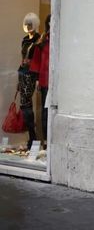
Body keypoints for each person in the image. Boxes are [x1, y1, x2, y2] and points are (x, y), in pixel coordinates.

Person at [18, 12, 41, 150]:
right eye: (27, 24)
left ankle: (33, 138)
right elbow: (22, 58)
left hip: (31, 74)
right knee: (24, 105)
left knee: (25, 104)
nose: (28, 26)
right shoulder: (25, 39)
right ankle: (31, 138)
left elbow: (39, 60)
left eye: (30, 24)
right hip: (22, 72)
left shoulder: (39, 39)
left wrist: (38, 78)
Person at [30, 14, 51, 148]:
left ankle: (52, 143)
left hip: (57, 82)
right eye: (49, 22)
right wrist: (37, 79)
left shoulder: (61, 39)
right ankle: (46, 143)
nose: (51, 24)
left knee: (53, 112)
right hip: (44, 81)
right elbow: (37, 60)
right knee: (45, 112)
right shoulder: (43, 40)